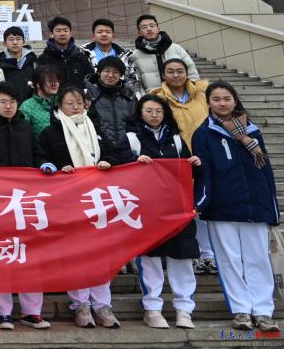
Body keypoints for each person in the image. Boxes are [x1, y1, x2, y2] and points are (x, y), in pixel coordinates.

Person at [192, 82, 279, 333]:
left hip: (255, 206)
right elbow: (204, 173)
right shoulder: (203, 133)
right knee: (229, 260)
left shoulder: (253, 131)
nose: (222, 103)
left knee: (258, 259)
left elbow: (266, 171)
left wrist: (271, 206)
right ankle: (241, 309)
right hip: (222, 207)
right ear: (208, 103)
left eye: (227, 98)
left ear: (234, 100)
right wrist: (202, 203)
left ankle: (263, 311)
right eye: (216, 99)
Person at [0, 83, 51, 331]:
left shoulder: (25, 126)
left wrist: (43, 164)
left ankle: (32, 312)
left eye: (12, 102)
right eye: (3, 102)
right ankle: (4, 312)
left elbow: (37, 153)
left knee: (30, 257)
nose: (8, 106)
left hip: (25, 201)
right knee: (3, 255)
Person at [35, 85, 119, 330]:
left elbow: (116, 155)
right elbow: (40, 159)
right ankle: (81, 305)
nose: (75, 107)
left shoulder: (96, 129)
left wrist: (108, 161)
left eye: (79, 102)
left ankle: (102, 305)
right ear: (59, 106)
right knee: (76, 255)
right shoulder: (50, 133)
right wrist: (55, 168)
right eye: (69, 103)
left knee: (100, 256)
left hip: (97, 201)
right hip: (67, 203)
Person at [116, 95, 200, 330]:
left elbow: (189, 172)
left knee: (182, 257)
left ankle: (184, 309)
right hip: (147, 209)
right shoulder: (131, 139)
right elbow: (118, 168)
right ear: (140, 113)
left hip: (177, 208)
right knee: (150, 258)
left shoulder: (176, 139)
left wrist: (195, 163)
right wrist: (133, 161)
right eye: (149, 111)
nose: (154, 115)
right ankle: (152, 308)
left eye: (159, 111)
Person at [150, 59, 215, 273]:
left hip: (205, 155)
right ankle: (196, 254)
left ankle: (209, 255)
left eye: (180, 71)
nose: (176, 75)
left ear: (187, 73)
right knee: (188, 205)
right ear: (163, 75)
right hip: (178, 159)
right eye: (170, 72)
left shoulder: (203, 93)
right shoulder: (158, 97)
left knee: (205, 204)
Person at [132, 14, 199, 91]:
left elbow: (191, 70)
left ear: (158, 29)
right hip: (153, 96)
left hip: (180, 94)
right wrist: (146, 97)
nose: (149, 29)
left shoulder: (176, 48)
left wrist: (191, 91)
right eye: (144, 27)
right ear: (139, 32)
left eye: (152, 26)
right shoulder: (135, 55)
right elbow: (137, 83)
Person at [89, 58, 135, 154]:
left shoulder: (129, 95)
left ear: (121, 75)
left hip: (127, 149)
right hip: (99, 148)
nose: (110, 75)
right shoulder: (89, 93)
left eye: (115, 72)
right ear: (99, 72)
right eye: (107, 71)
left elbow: (135, 122)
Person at [36, 17, 95, 90]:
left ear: (70, 33)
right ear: (51, 34)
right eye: (58, 31)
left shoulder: (81, 57)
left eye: (65, 30)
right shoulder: (43, 59)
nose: (62, 34)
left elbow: (91, 82)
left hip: (78, 97)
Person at [84, 18, 139, 96]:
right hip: (93, 97)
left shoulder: (126, 55)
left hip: (121, 97)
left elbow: (132, 80)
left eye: (108, 32)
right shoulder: (83, 54)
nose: (104, 34)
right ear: (93, 36)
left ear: (113, 35)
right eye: (100, 32)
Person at [20, 65, 64, 137]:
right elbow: (23, 135)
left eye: (57, 81)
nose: (55, 84)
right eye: (50, 81)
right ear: (38, 84)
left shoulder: (63, 102)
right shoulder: (27, 106)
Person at [0, 26, 37, 103]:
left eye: (18, 39)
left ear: (24, 42)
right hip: (8, 105)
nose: (15, 42)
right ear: (4, 43)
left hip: (31, 105)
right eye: (11, 39)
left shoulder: (33, 60)